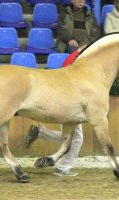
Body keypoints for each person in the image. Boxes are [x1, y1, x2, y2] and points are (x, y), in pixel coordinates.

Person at [25, 46, 86, 177]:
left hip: (66, 100)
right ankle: (63, 167)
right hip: (69, 103)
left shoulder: (72, 58)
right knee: (77, 138)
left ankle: (41, 133)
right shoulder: (78, 60)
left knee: (74, 137)